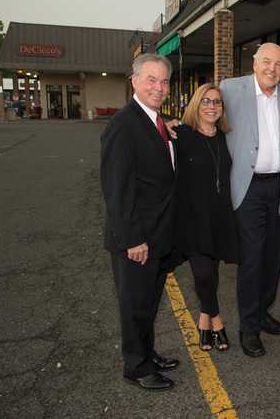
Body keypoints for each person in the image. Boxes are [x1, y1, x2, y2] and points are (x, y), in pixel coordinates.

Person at [220, 43, 280, 357]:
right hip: (247, 188)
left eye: (279, 64)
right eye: (266, 61)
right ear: (255, 63)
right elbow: (205, 113)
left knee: (273, 257)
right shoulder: (231, 89)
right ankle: (248, 326)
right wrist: (175, 126)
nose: (272, 68)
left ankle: (263, 310)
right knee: (253, 257)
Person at [100, 53, 180, 390]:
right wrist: (133, 239)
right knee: (134, 306)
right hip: (137, 240)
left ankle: (147, 352)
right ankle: (137, 367)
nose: (159, 87)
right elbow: (117, 189)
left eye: (164, 81)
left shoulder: (155, 121)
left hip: (157, 236)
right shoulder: (123, 124)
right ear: (134, 80)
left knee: (148, 303)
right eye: (151, 79)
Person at [173, 84, 239, 352]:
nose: (212, 106)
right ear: (196, 105)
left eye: (217, 102)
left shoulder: (225, 137)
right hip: (192, 218)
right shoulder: (181, 135)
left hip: (220, 217)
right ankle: (217, 320)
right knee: (202, 273)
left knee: (211, 272)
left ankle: (203, 319)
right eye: (206, 101)